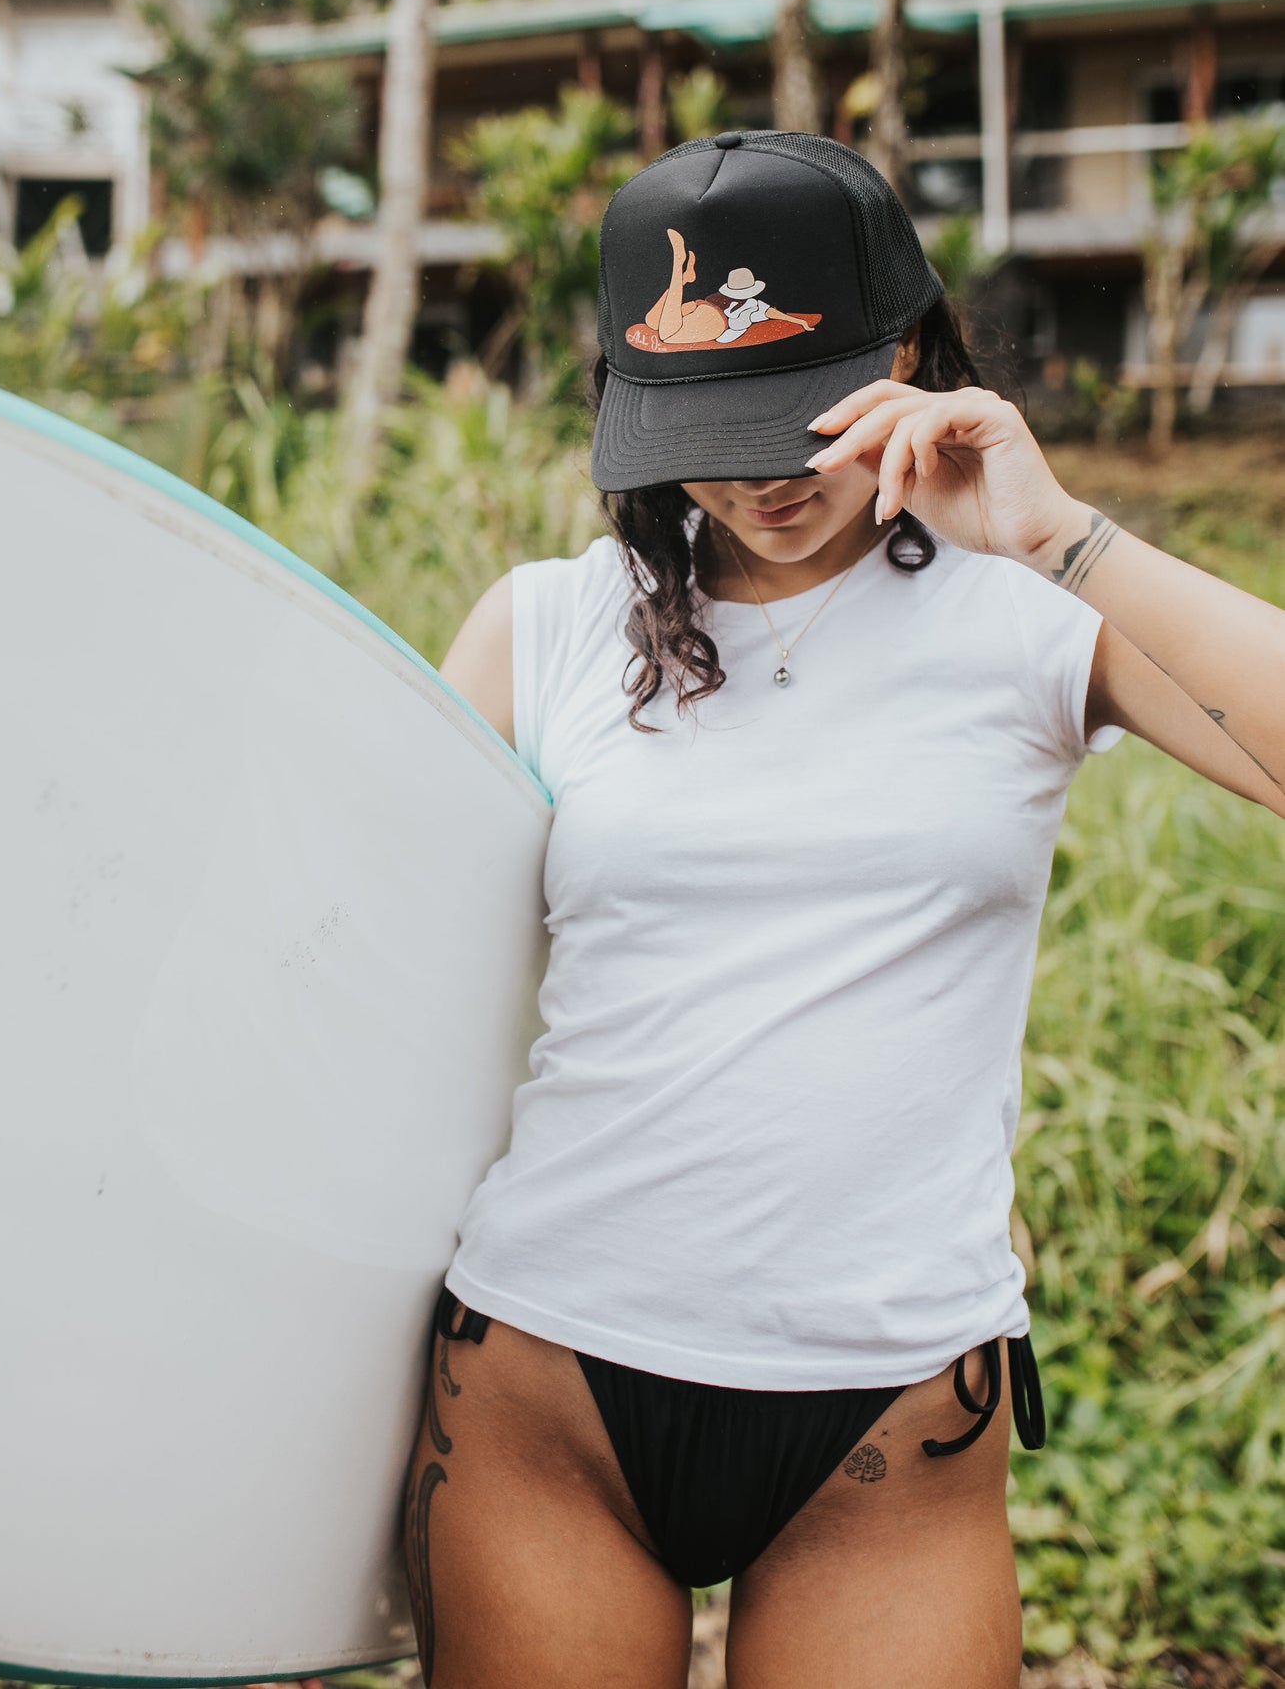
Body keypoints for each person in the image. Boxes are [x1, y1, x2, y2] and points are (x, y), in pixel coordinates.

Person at [404, 131, 1285, 1689]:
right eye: (705, 422)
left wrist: (1057, 535)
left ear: (912, 357)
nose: (762, 472)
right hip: (551, 1385)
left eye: (802, 416)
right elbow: (366, 979)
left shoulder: (1021, 616)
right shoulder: (541, 628)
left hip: (885, 1418)